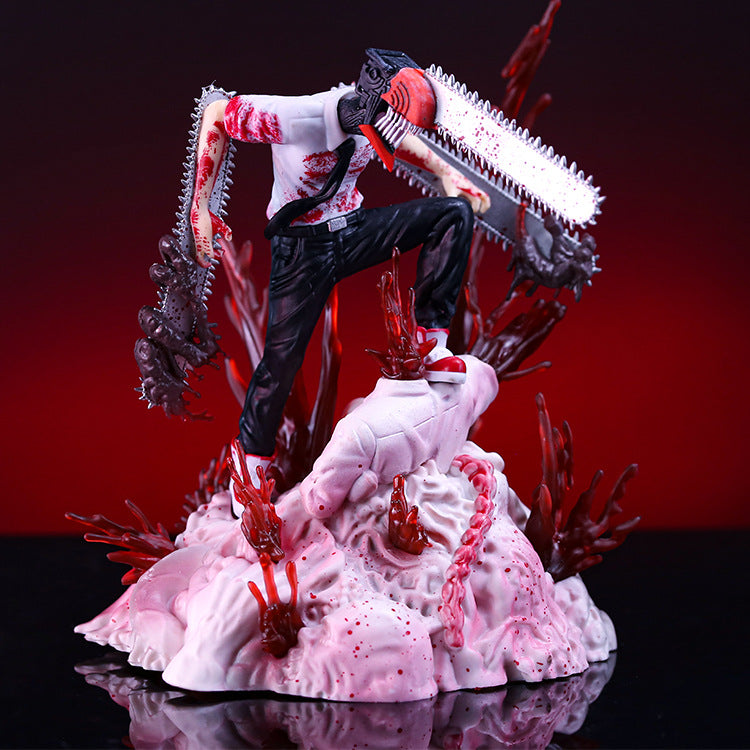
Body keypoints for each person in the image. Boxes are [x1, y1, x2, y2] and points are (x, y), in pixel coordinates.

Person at [190, 49, 489, 477]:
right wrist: (200, 207)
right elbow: (218, 114)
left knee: (453, 214)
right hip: (302, 251)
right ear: (368, 110)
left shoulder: (378, 120)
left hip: (355, 230)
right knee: (281, 362)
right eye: (387, 122)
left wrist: (444, 171)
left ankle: (429, 342)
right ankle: (252, 461)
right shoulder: (295, 118)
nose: (391, 133)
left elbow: (397, 135)